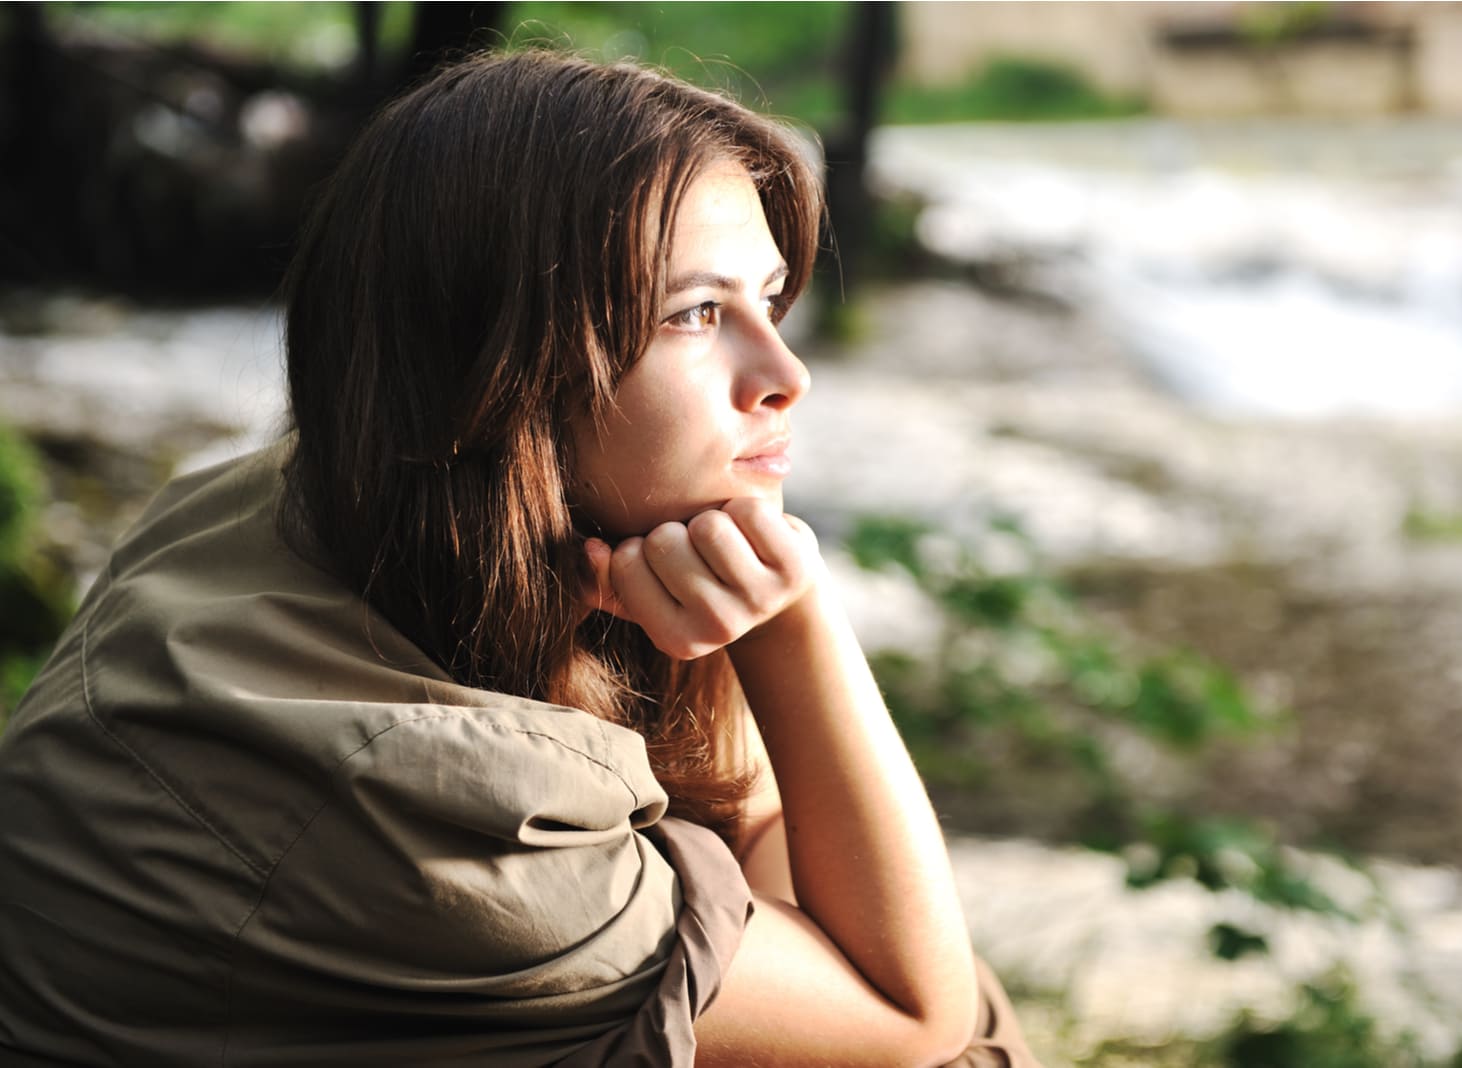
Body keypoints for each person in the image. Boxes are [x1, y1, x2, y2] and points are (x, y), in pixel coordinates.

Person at [0, 50, 1038, 1065]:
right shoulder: (447, 818)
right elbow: (912, 1018)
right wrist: (786, 619)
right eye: (696, 313)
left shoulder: (299, 493)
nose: (784, 374)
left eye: (769, 300)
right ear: (486, 371)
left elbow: (778, 854)